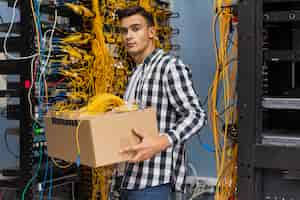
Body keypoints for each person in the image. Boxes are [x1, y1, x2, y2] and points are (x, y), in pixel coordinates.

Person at [111, 6, 206, 200]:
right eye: (124, 31)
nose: (128, 36)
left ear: (152, 32)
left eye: (136, 28)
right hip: (127, 181)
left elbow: (196, 115)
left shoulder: (169, 67)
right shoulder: (136, 73)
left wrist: (161, 141)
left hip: (155, 184)